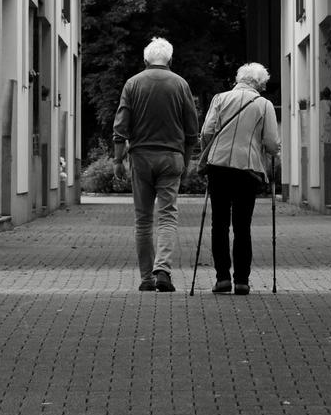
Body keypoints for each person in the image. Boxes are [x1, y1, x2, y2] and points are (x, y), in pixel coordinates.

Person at [112, 37, 199, 293]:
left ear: (145, 60)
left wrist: (118, 160)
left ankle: (147, 279)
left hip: (140, 158)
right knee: (168, 215)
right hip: (171, 157)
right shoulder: (181, 84)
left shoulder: (132, 84)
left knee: (143, 220)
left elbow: (120, 127)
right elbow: (192, 130)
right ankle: (163, 269)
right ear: (170, 60)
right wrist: (185, 159)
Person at [201, 63, 281, 295]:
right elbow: (272, 143)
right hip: (248, 170)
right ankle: (242, 281)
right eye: (264, 84)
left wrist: (211, 152)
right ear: (258, 83)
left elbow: (206, 131)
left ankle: (222, 278)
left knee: (219, 224)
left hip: (219, 167)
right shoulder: (264, 105)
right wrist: (272, 152)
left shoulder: (220, 98)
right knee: (242, 226)